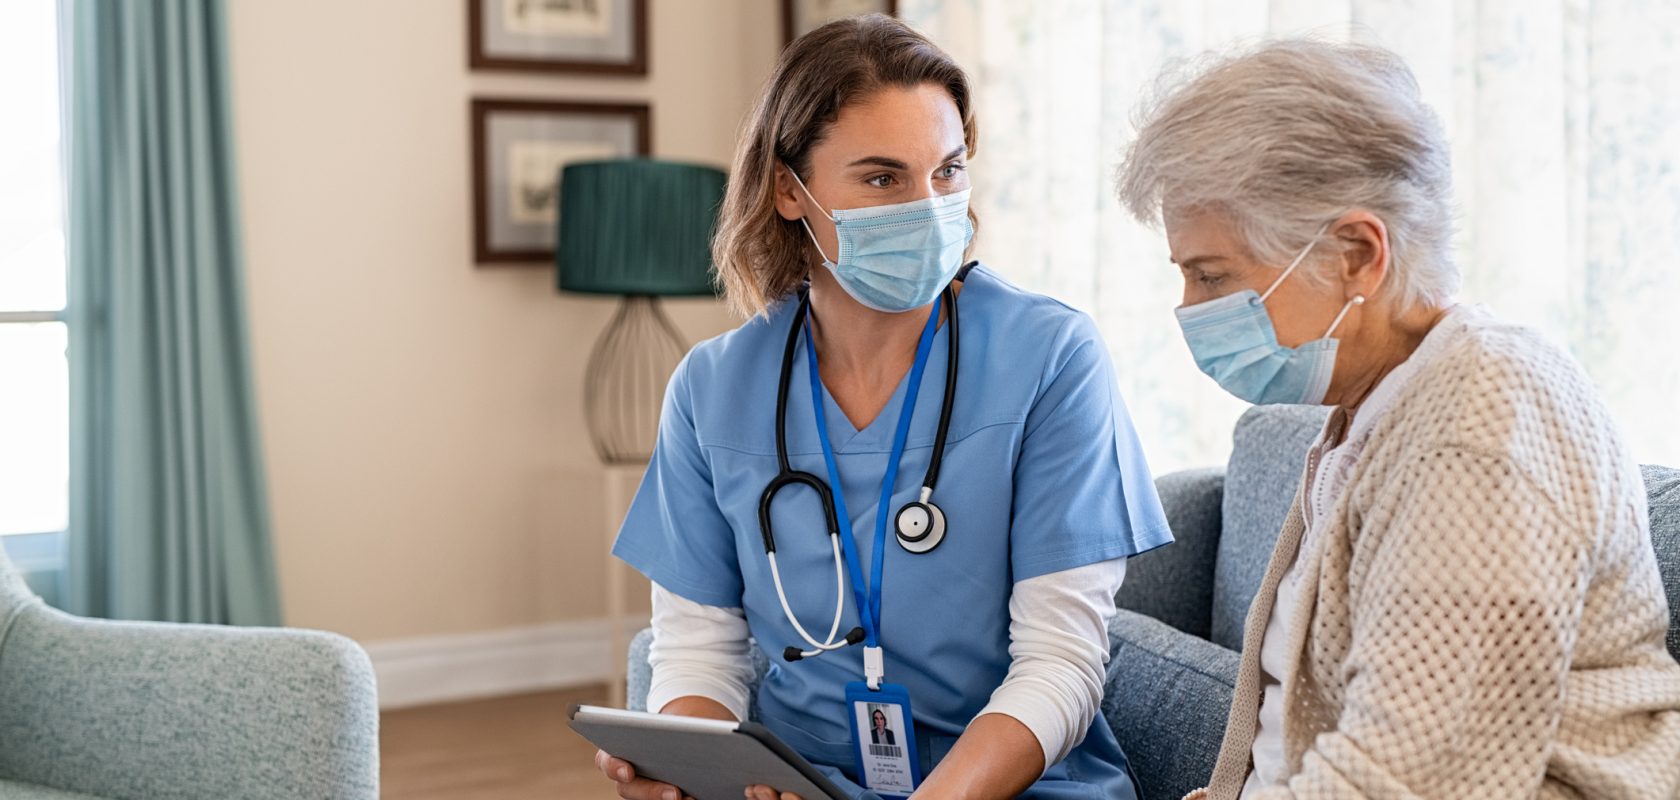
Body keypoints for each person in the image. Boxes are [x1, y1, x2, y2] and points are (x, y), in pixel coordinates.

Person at [594, 14, 1172, 800]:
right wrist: (698, 773)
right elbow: (701, 652)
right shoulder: (712, 388)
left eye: (947, 171)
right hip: (801, 784)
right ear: (788, 191)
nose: (927, 205)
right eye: (882, 177)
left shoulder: (1048, 357)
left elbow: (1062, 662)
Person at [1115, 38, 1680, 799]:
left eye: (1212, 275)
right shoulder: (1375, 406)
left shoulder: (1478, 425)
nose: (1190, 308)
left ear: (1357, 252)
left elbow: (1412, 781)